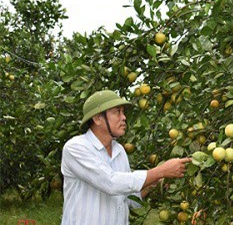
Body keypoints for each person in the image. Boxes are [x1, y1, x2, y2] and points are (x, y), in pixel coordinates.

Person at [61, 90, 191, 225]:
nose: (123, 117)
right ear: (97, 118)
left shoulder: (119, 151)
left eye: (123, 112)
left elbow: (126, 197)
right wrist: (160, 171)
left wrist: (154, 183)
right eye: (117, 112)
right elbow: (110, 183)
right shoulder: (76, 148)